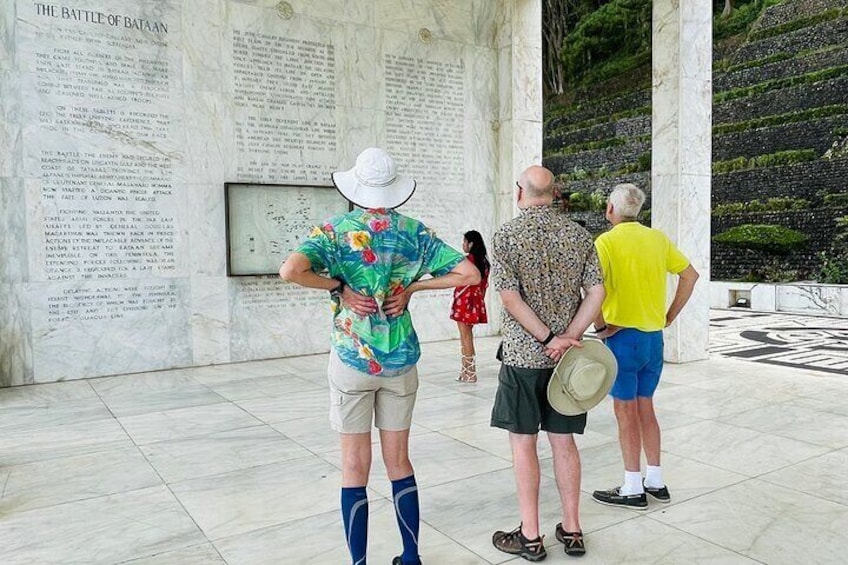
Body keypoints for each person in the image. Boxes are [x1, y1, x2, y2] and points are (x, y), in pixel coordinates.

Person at [279, 147, 480, 565]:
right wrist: (412, 289)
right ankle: (410, 557)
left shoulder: (335, 230)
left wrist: (339, 286)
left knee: (354, 466)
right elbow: (470, 273)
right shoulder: (414, 232)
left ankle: (359, 563)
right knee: (399, 461)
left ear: (356, 186)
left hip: (353, 358)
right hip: (401, 361)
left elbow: (291, 270)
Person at [489, 165, 606, 561]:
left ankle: (531, 535)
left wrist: (546, 339)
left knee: (523, 445)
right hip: (567, 362)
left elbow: (509, 298)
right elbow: (596, 292)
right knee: (563, 441)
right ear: (554, 193)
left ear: (519, 191)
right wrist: (568, 336)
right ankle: (572, 530)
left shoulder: (506, 235)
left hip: (524, 357)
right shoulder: (578, 234)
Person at [591, 183, 699, 510]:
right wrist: (669, 316)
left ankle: (632, 486)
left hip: (623, 339)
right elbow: (690, 276)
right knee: (646, 408)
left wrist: (599, 327)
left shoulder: (605, 242)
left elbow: (593, 288)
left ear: (611, 210)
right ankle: (655, 479)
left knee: (625, 414)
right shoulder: (658, 239)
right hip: (654, 340)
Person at [450, 230, 490, 383]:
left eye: (465, 241)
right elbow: (484, 286)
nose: (463, 245)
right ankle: (466, 370)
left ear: (471, 244)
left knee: (465, 337)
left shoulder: (467, 261)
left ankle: (470, 372)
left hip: (464, 302)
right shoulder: (484, 262)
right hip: (476, 302)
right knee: (468, 336)